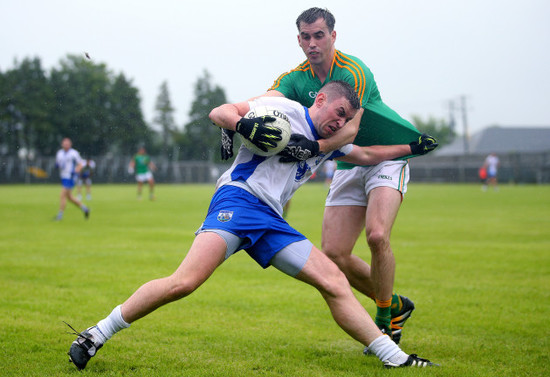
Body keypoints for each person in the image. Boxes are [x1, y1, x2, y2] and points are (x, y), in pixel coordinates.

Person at [66, 81, 437, 371]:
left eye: (346, 120)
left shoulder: (326, 143)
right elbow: (221, 111)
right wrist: (240, 124)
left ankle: (396, 358)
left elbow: (368, 154)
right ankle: (95, 334)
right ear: (320, 100)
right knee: (184, 282)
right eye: (338, 112)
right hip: (239, 201)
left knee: (334, 281)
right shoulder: (284, 109)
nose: (339, 122)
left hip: (271, 220)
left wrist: (411, 147)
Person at [220, 7, 437, 349]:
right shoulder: (295, 78)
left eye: (319, 35)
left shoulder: (354, 71)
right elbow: (262, 103)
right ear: (299, 40)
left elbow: (351, 129)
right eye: (305, 37)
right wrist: (234, 121)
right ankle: (394, 305)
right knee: (335, 253)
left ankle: (384, 323)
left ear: (333, 36)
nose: (312, 43)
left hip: (384, 155)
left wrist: (314, 147)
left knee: (377, 235)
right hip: (348, 162)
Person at [54, 138, 90, 221]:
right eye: (64, 144)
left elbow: (80, 164)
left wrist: (75, 171)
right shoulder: (59, 153)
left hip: (69, 177)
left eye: (67, 144)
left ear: (70, 144)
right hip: (63, 177)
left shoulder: (74, 153)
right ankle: (85, 208)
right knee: (69, 197)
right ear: (62, 144)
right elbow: (58, 164)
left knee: (62, 195)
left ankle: (60, 215)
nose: (66, 145)